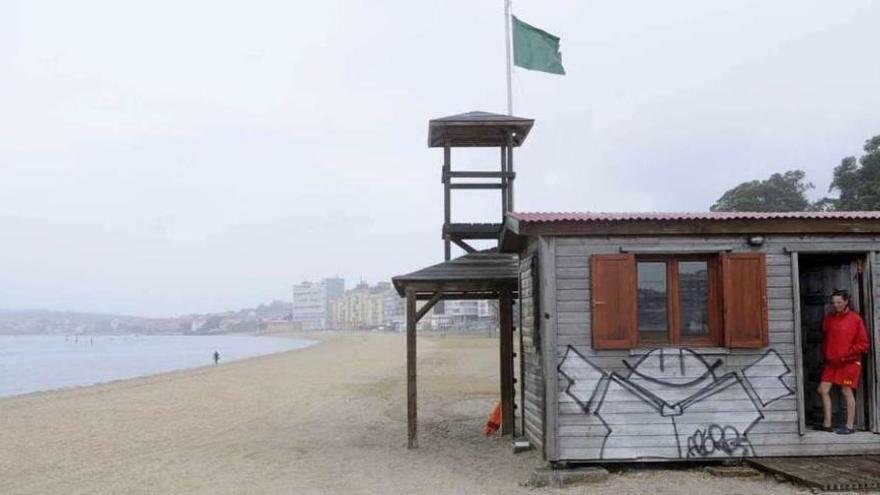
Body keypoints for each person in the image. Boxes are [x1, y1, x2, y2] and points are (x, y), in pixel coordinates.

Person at [816, 290, 869, 434]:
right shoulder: (829, 318)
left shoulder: (855, 319)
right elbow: (827, 338)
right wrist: (827, 353)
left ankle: (849, 426)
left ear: (846, 301)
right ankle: (827, 424)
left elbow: (864, 344)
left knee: (846, 391)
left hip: (849, 363)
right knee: (822, 390)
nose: (836, 305)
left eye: (839, 302)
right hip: (831, 363)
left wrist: (847, 354)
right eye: (834, 302)